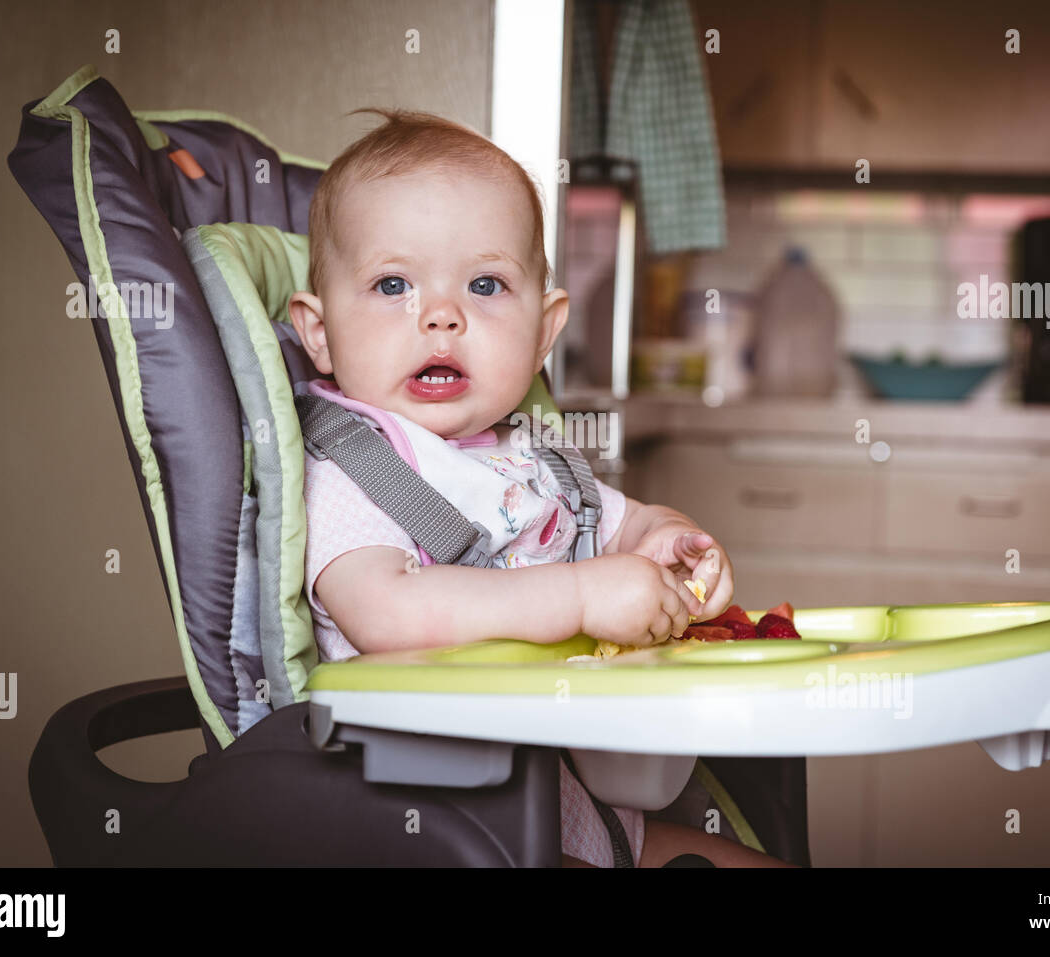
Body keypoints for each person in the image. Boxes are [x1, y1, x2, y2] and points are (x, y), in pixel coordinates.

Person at [288, 108, 791, 869]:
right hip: (445, 828)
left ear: (544, 329)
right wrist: (585, 598)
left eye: (486, 284)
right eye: (393, 284)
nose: (442, 315)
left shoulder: (535, 459)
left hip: (585, 807)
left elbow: (618, 527)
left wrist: (667, 541)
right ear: (318, 334)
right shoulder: (354, 468)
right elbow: (388, 611)